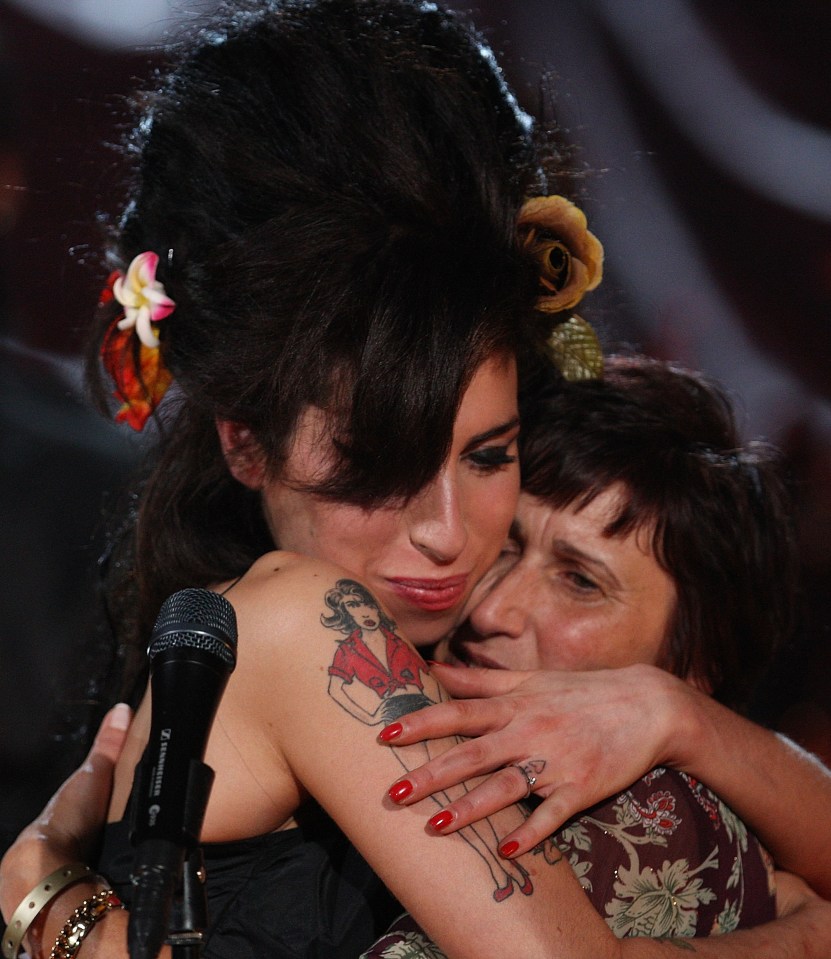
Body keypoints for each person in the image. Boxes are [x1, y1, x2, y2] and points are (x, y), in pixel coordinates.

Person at [2, 3, 831, 959]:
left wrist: (677, 718)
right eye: (379, 465)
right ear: (244, 444)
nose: (450, 534)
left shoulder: (403, 671)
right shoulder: (296, 620)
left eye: (488, 456)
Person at [364, 353, 831, 954]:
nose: (490, 610)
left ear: (695, 664)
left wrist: (676, 716)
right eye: (507, 543)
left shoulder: (660, 826)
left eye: (580, 581)